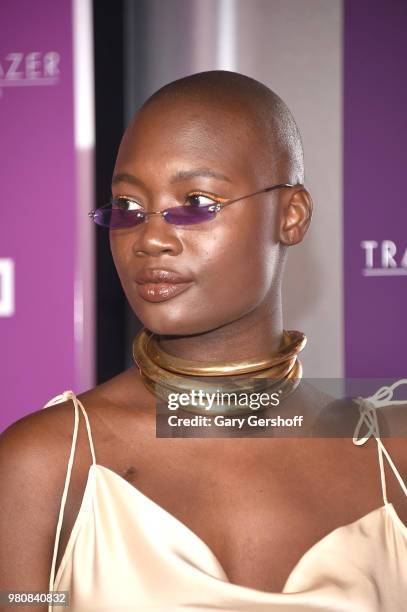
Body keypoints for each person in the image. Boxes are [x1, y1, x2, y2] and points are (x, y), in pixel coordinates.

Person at [0, 70, 406, 612]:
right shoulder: (48, 461)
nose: (151, 237)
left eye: (196, 201)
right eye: (128, 206)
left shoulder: (391, 459)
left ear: (291, 214)